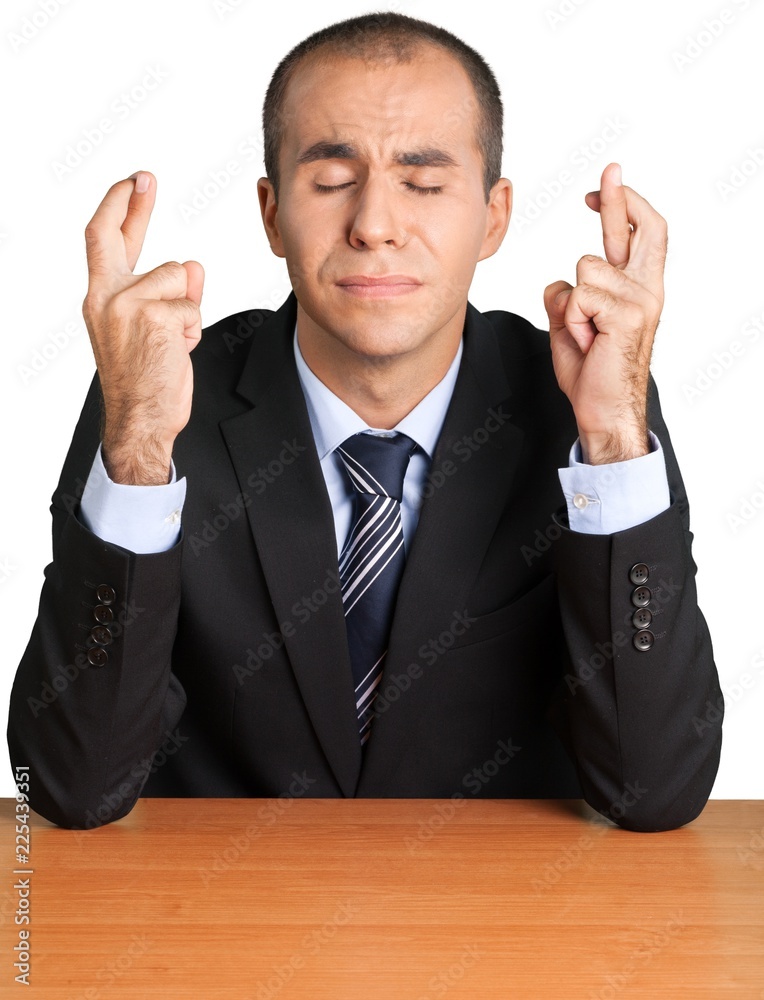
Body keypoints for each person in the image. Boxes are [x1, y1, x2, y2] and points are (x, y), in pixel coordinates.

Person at [7, 12, 722, 832]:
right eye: (331, 179)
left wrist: (613, 443)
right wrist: (135, 453)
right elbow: (65, 789)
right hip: (214, 932)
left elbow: (655, 789)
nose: (375, 224)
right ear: (271, 214)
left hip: (507, 937)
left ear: (494, 217)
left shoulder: (584, 405)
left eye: (423, 183)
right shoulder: (160, 399)